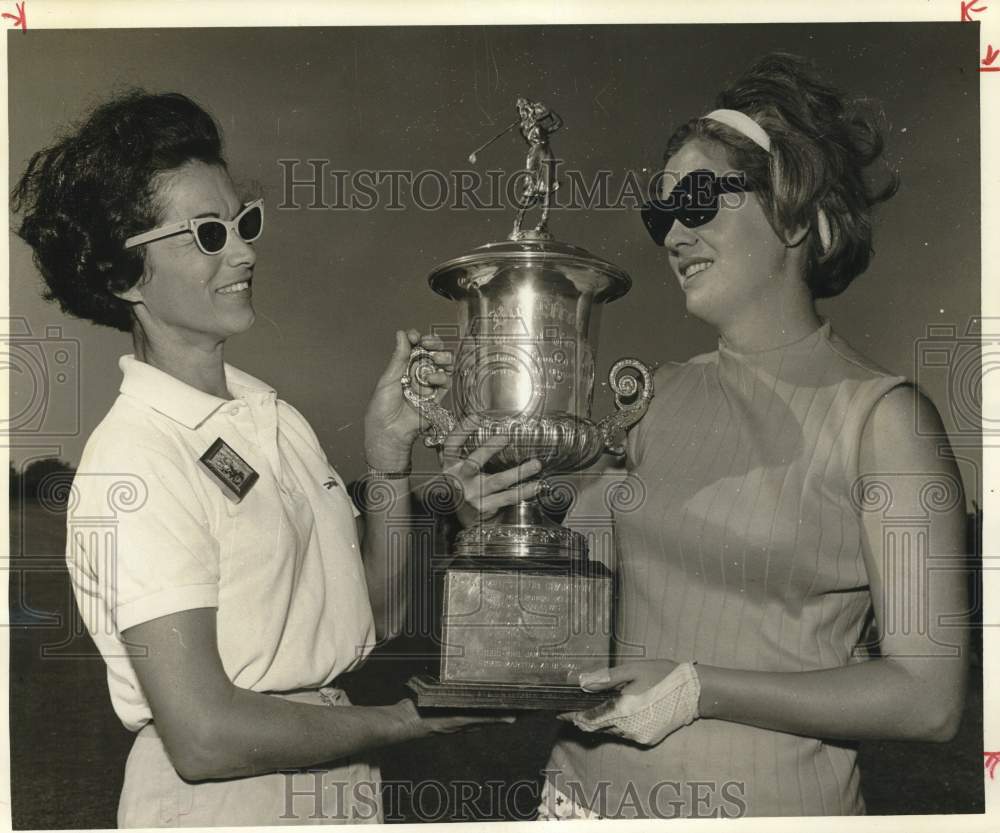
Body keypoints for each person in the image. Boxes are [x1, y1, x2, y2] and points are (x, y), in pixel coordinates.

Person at [11, 91, 529, 827]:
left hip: (332, 778)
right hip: (223, 800)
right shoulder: (138, 456)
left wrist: (387, 462)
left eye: (243, 222)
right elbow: (204, 734)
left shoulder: (273, 419)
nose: (246, 251)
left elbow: (375, 614)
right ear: (126, 278)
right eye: (208, 234)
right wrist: (403, 722)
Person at [539, 53, 970, 819]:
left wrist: (699, 689)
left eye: (699, 199)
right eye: (661, 213)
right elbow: (566, 593)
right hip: (579, 801)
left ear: (797, 214)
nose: (673, 233)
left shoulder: (886, 420)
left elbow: (927, 698)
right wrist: (495, 500)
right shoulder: (651, 396)